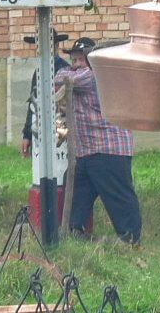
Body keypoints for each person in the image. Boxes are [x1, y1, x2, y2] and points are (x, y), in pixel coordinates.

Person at [56, 37, 142, 244]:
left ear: (92, 60)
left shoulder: (94, 75)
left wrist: (69, 72)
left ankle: (130, 239)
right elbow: (61, 77)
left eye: (80, 60)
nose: (76, 65)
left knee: (118, 196)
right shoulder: (81, 73)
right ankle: (73, 231)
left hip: (108, 148)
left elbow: (61, 79)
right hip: (86, 150)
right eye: (74, 61)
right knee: (77, 191)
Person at [21, 30, 71, 157]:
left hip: (61, 128)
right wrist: (27, 134)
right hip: (40, 126)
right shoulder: (38, 72)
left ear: (56, 46)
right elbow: (33, 104)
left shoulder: (65, 70)